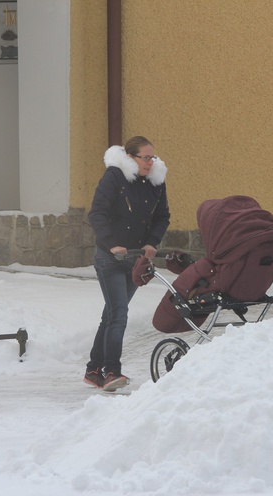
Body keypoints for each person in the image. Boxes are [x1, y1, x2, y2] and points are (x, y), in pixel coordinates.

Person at [84, 136, 170, 391]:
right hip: (109, 257)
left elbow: (162, 216)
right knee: (119, 314)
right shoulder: (115, 177)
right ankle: (111, 371)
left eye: (152, 157)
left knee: (111, 314)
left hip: (134, 259)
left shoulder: (155, 182)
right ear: (131, 158)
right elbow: (97, 212)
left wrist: (152, 242)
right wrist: (111, 243)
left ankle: (92, 369)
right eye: (145, 157)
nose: (150, 162)